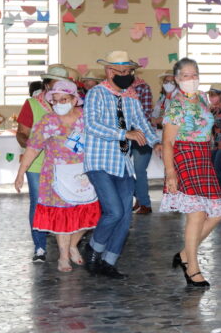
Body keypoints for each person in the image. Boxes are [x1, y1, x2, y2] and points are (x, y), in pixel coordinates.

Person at [83, 50, 162, 280]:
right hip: (100, 161)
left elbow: (141, 124)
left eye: (129, 72)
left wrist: (155, 141)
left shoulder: (131, 96)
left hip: (123, 164)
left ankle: (108, 262)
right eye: (122, 72)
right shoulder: (96, 94)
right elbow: (92, 125)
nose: (127, 76)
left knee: (125, 217)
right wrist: (124, 133)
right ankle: (94, 248)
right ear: (109, 71)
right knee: (114, 211)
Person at [14, 80, 101, 272]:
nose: (59, 103)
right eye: (55, 100)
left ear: (73, 99)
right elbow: (33, 147)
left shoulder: (86, 117)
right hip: (56, 175)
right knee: (62, 216)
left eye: (64, 99)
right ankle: (63, 256)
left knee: (89, 215)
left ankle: (72, 245)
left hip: (84, 173)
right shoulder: (47, 121)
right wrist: (21, 173)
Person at [161, 60, 221, 287]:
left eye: (195, 74)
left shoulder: (201, 98)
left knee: (217, 212)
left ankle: (183, 254)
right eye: (186, 75)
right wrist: (171, 173)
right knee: (197, 214)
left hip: (203, 156)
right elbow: (168, 141)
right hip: (184, 155)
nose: (192, 78)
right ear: (177, 79)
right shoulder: (176, 104)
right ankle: (193, 268)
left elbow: (207, 128)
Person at [16, 63, 73, 262]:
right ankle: (40, 246)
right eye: (56, 84)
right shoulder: (32, 105)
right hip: (37, 164)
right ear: (47, 85)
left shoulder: (70, 104)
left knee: (66, 202)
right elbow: (22, 134)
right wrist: (35, 144)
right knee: (38, 203)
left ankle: (68, 243)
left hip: (65, 164)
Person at [131, 69, 155, 214]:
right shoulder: (118, 89)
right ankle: (139, 196)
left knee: (139, 170)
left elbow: (145, 113)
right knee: (121, 170)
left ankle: (145, 203)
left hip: (142, 134)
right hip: (125, 134)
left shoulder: (143, 87)